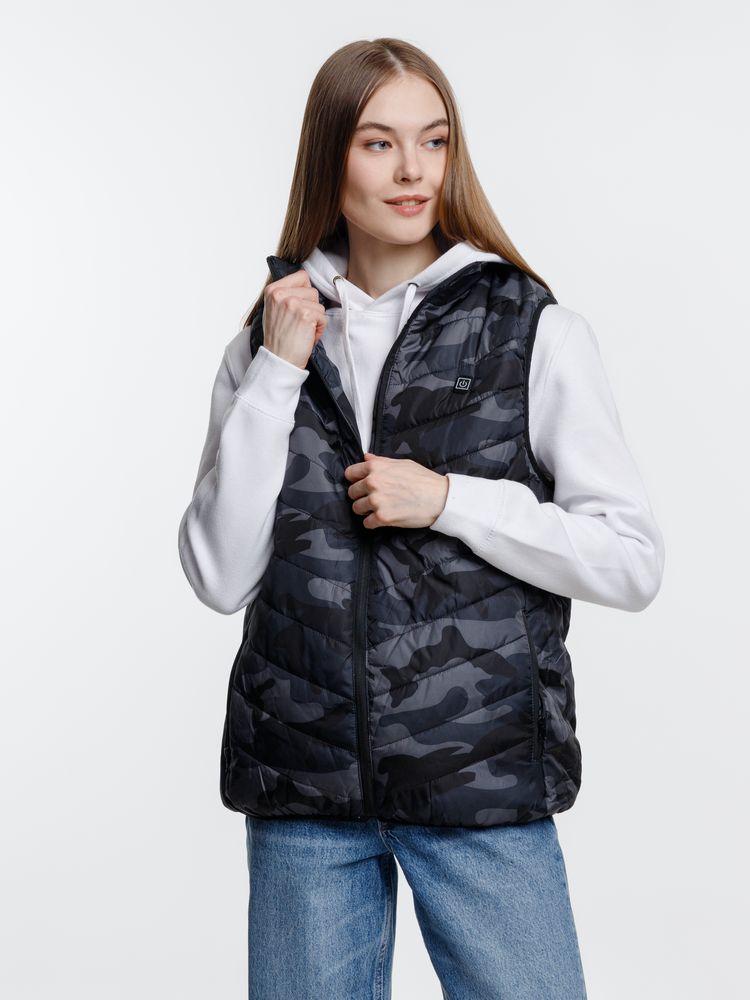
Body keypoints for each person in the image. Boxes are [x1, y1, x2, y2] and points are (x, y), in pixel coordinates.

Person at [178, 37, 665, 1000]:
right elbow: (220, 576)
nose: (413, 171)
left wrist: (449, 501)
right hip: (305, 792)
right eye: (379, 143)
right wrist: (276, 370)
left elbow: (631, 559)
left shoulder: (534, 330)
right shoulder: (266, 344)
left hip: (480, 780)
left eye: (433, 141)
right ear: (330, 158)